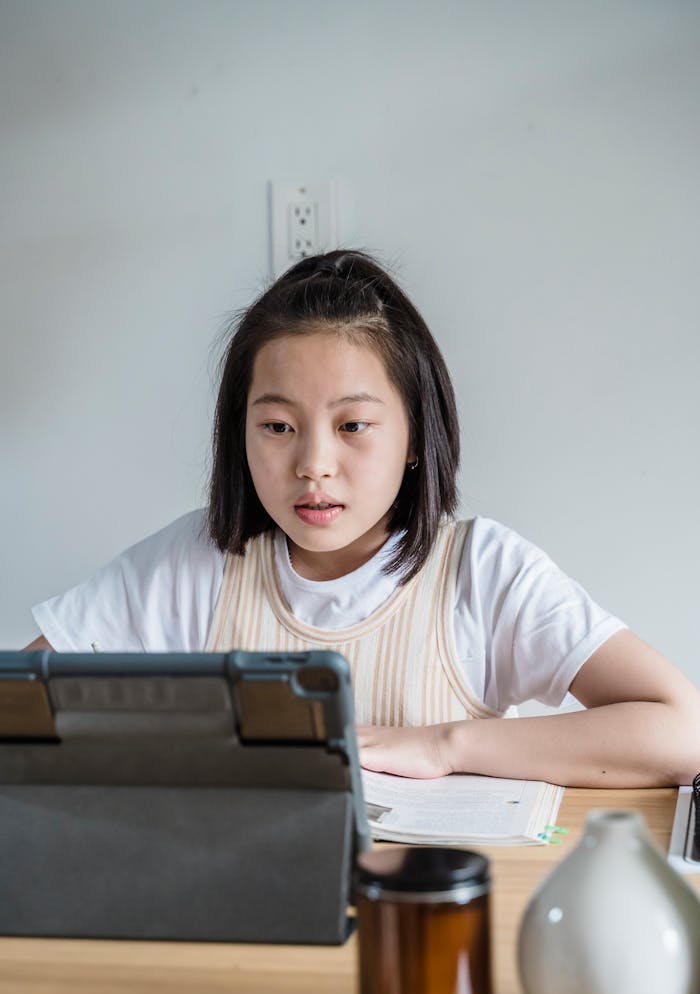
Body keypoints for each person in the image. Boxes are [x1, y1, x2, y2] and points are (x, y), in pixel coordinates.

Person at [26, 250, 700, 787]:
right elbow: (19, 703)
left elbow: (681, 731)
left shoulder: (484, 573)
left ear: (414, 439)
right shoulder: (196, 562)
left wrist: (445, 746)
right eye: (278, 425)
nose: (313, 464)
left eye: (353, 425)